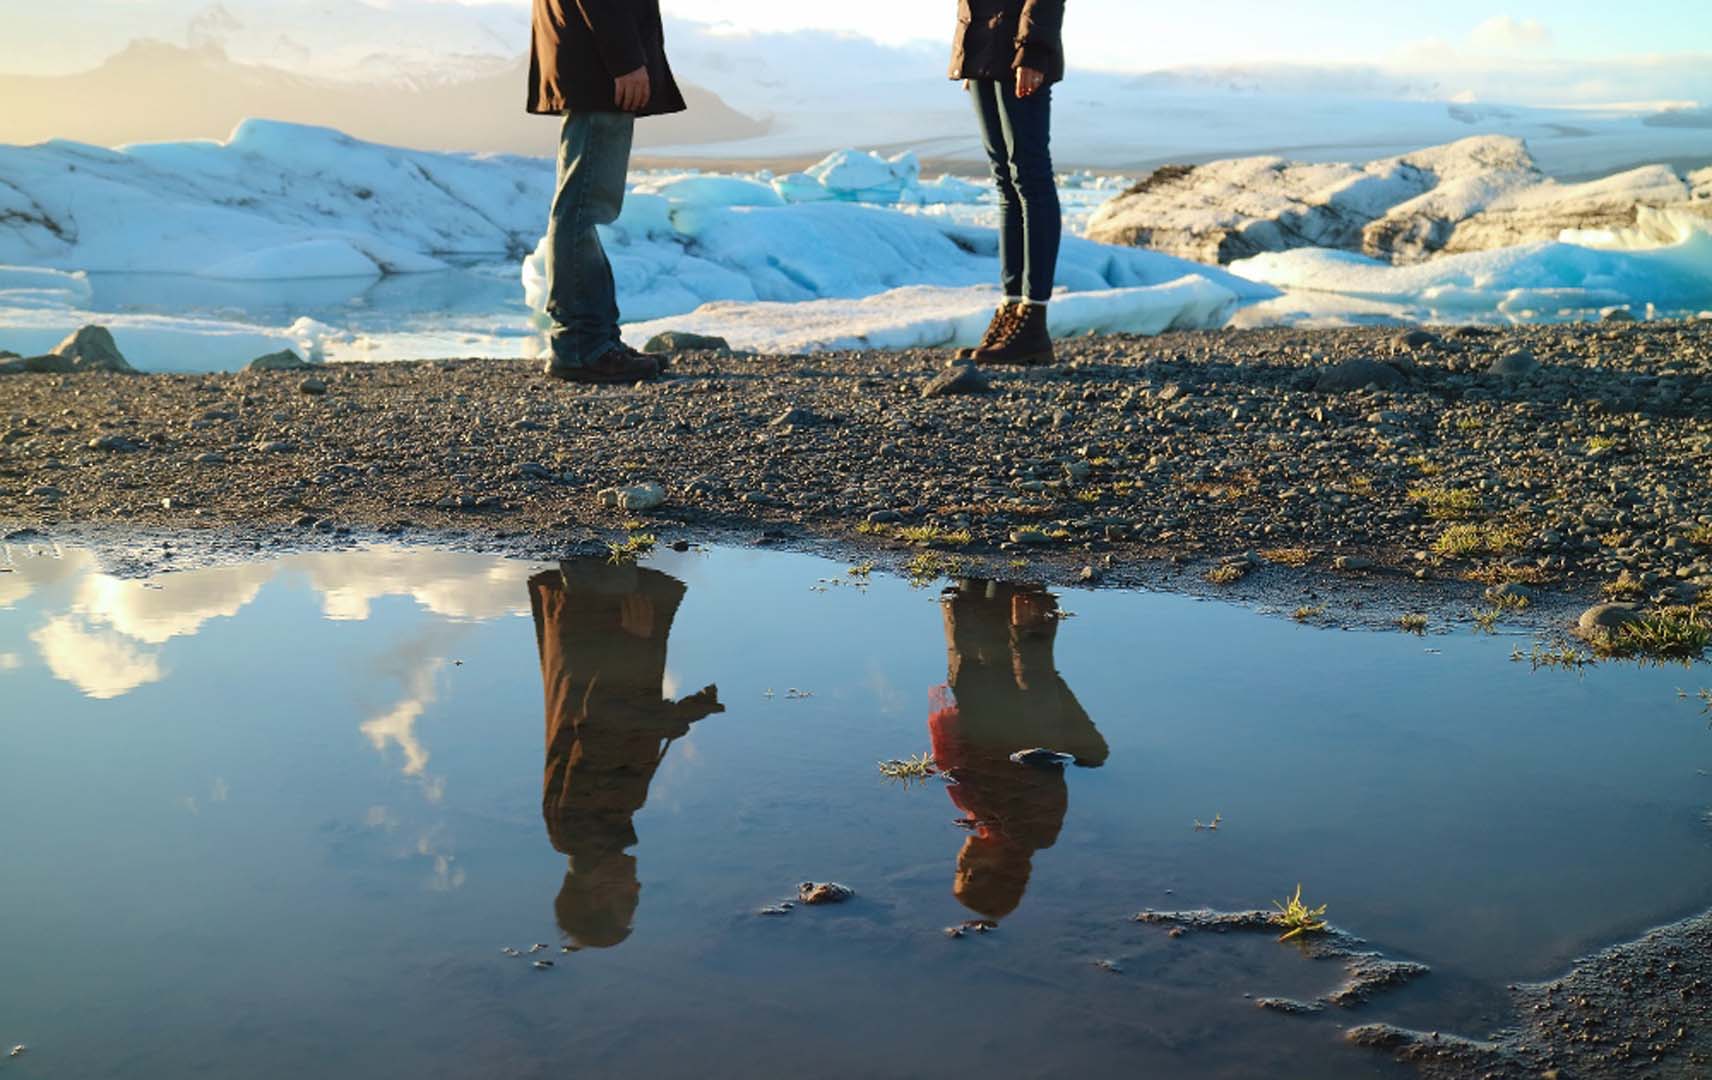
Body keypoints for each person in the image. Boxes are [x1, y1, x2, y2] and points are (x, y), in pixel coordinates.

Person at [529, 559, 722, 948]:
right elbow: (619, 735)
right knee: (605, 541)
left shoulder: (583, 822)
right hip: (601, 635)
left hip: (604, 627)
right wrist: (677, 716)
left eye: (627, 899)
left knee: (604, 545)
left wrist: (630, 642)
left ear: (597, 892)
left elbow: (601, 719)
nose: (635, 887)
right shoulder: (590, 829)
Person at [929, 580, 1106, 923]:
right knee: (1012, 664)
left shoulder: (986, 822)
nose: (961, 862)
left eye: (958, 870)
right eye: (968, 872)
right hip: (1017, 721)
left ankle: (975, 595)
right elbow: (1030, 767)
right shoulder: (1028, 832)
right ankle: (1007, 603)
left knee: (973, 657)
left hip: (990, 713)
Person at [529, 0, 687, 383]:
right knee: (582, 209)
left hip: (591, 63)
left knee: (582, 208)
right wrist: (625, 60)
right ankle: (583, 346)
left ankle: (594, 340)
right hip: (598, 67)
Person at [950, 0, 1067, 368]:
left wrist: (1033, 51)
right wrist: (969, 53)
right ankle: (1012, 307)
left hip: (1020, 48)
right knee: (1006, 181)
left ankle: (1033, 320)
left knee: (1030, 177)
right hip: (983, 48)